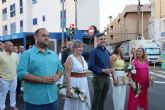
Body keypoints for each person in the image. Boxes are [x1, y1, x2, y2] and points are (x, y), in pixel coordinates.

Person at [17, 28, 64, 110]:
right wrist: (41, 79)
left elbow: (60, 68)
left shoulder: (53, 54)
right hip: (35, 101)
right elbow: (21, 73)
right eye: (43, 35)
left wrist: (57, 76)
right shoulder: (26, 54)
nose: (47, 38)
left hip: (53, 98)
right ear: (36, 37)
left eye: (48, 36)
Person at [88, 33, 113, 110]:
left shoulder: (107, 52)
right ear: (97, 40)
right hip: (98, 78)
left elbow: (108, 64)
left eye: (104, 39)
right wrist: (102, 70)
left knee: (103, 99)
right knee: (96, 100)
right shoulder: (93, 51)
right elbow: (90, 66)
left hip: (107, 78)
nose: (103, 40)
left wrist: (110, 69)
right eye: (101, 39)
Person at [63, 40, 91, 110]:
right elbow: (67, 74)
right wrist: (68, 89)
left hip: (84, 83)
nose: (81, 48)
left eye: (82, 47)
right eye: (79, 47)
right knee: (74, 103)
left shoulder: (82, 58)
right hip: (75, 83)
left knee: (83, 103)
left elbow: (83, 70)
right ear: (74, 48)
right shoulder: (70, 58)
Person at [0, 41, 19, 110]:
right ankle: (2, 107)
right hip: (4, 78)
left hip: (14, 77)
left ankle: (12, 106)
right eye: (10, 45)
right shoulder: (1, 55)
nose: (12, 47)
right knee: (3, 93)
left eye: (12, 45)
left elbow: (17, 65)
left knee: (13, 92)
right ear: (5, 47)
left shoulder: (15, 55)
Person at [110, 43, 127, 110]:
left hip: (123, 74)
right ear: (117, 48)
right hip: (116, 74)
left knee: (123, 93)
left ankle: (121, 108)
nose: (123, 48)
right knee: (117, 93)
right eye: (122, 47)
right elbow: (112, 68)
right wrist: (114, 79)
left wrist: (129, 68)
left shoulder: (122, 56)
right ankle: (117, 108)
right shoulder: (113, 56)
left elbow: (124, 67)